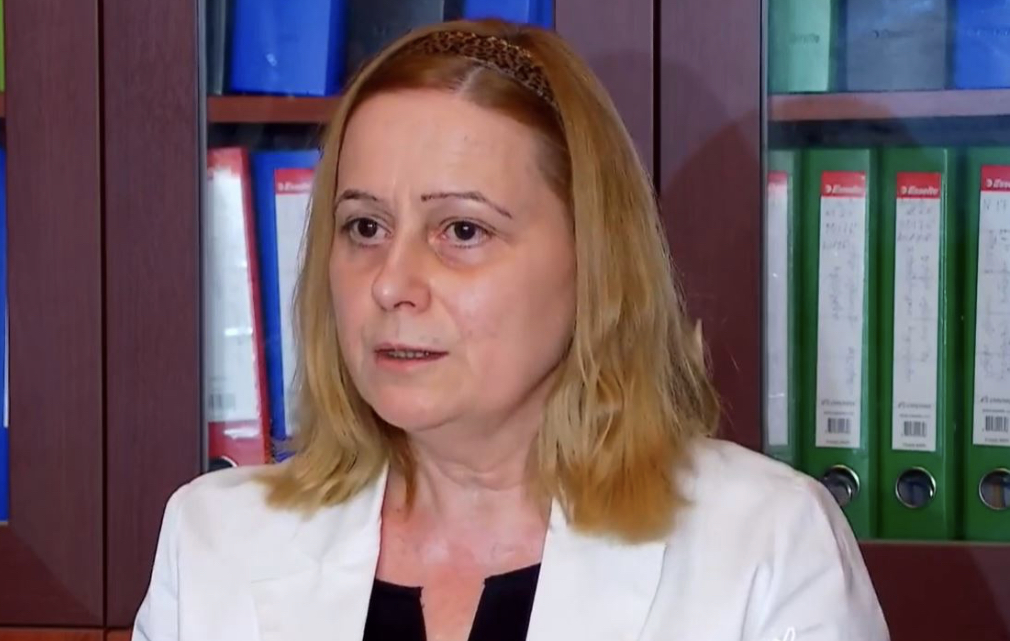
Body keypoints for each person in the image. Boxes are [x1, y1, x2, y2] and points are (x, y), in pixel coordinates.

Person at [132, 18, 889, 641]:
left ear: (592, 259)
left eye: (462, 230)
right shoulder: (211, 543)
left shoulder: (765, 548)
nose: (391, 283)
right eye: (364, 226)